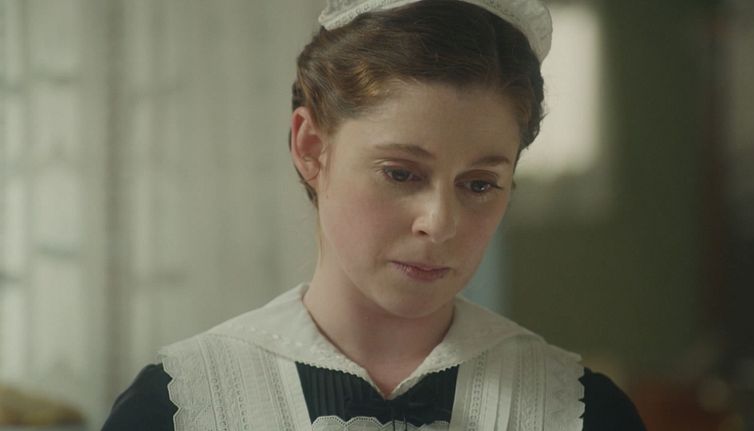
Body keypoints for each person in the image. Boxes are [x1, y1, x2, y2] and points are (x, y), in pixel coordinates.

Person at [102, 0, 647, 430]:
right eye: (401, 173)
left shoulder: (580, 412)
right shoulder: (178, 406)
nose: (440, 222)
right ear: (311, 148)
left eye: (479, 184)